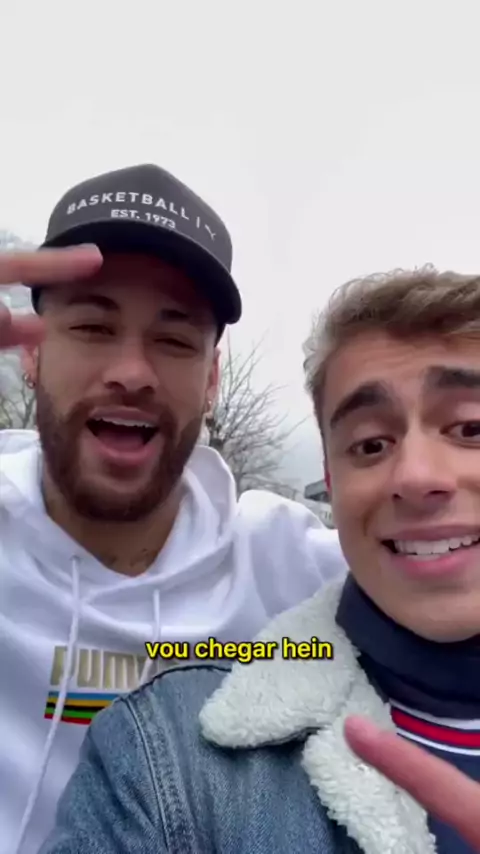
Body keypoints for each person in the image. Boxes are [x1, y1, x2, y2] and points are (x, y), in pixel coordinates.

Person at [40, 263, 480, 854]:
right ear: (331, 480)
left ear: (212, 378)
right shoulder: (167, 761)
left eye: (471, 429)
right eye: (371, 444)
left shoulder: (282, 545)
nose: (417, 477)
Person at [0, 164, 347, 854]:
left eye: (174, 339)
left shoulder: (294, 573)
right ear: (31, 354)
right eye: (93, 327)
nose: (132, 372)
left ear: (211, 379)